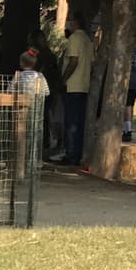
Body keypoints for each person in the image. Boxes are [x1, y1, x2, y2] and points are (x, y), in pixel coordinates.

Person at [49, 16, 93, 166]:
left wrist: (63, 79)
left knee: (71, 122)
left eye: (71, 22)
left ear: (75, 23)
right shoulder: (88, 39)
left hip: (73, 85)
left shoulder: (75, 38)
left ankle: (71, 155)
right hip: (84, 85)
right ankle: (76, 153)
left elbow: (74, 61)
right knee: (79, 122)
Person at [26, 29, 64, 156]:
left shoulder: (33, 53)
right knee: (46, 116)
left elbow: (29, 66)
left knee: (36, 115)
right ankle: (46, 142)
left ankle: (37, 143)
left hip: (37, 88)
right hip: (50, 88)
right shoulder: (50, 54)